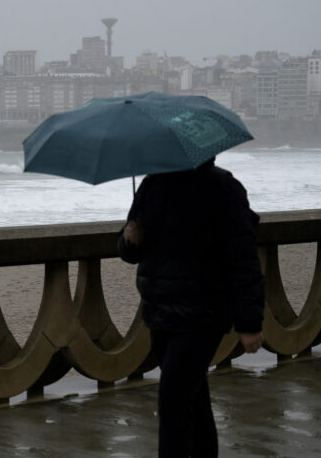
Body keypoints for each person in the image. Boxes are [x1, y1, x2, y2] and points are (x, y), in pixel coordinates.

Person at [117, 157, 265, 458]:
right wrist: (129, 240)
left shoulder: (221, 186)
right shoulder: (152, 184)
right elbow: (131, 251)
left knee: (173, 401)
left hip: (203, 313)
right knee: (194, 401)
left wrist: (249, 323)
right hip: (160, 311)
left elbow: (243, 258)